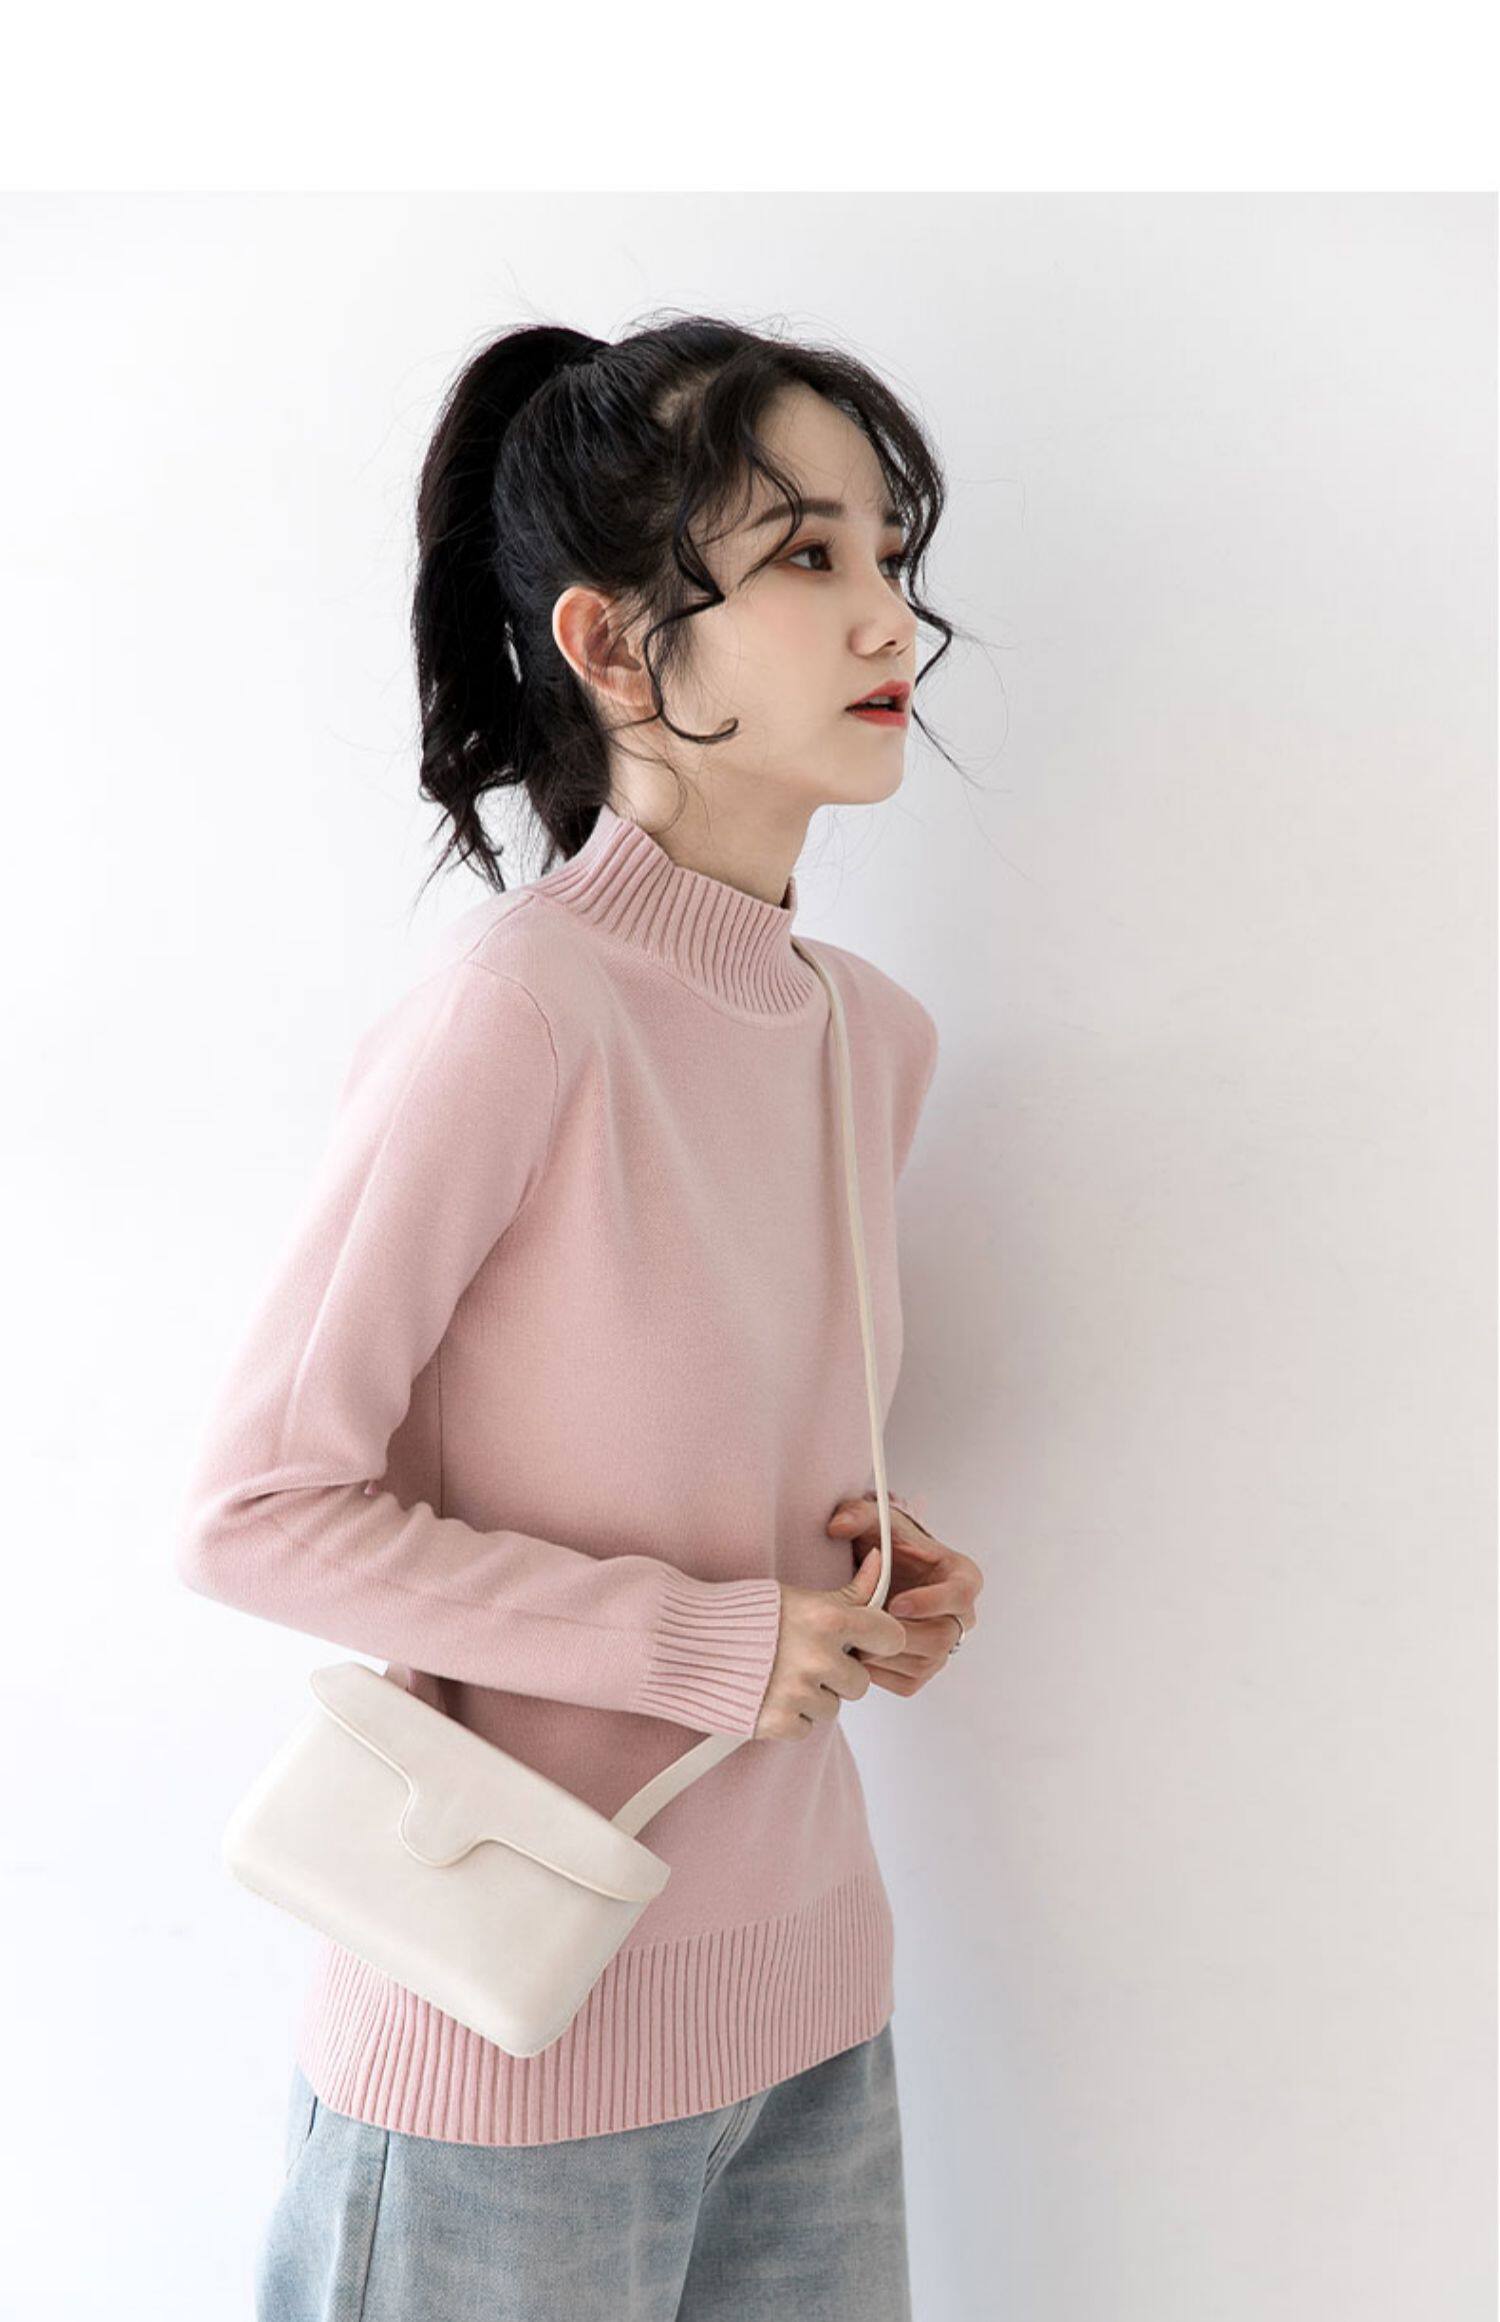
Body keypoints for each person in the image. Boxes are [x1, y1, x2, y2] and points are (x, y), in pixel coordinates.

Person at [175, 310, 985, 2321]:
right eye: (805, 556)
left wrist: (858, 1574)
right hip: (504, 2030)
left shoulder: (869, 1036)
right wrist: (705, 1639)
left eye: (891, 554)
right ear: (615, 647)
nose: (884, 616)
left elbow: (693, 1441)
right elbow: (256, 1511)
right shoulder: (519, 1009)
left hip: (811, 2008)